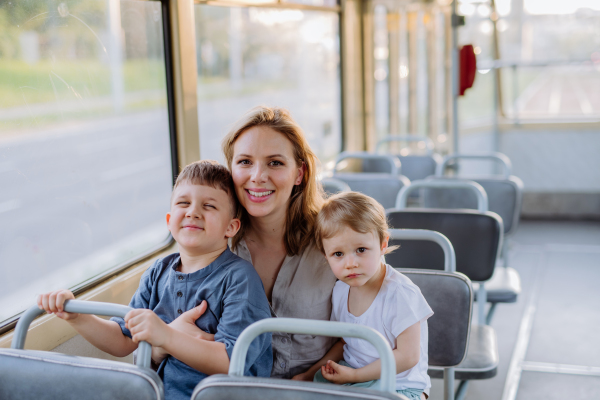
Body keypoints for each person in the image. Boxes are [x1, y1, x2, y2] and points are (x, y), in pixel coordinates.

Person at [36, 160, 273, 400]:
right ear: (170, 221)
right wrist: (79, 317)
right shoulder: (157, 273)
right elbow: (123, 340)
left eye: (209, 206)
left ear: (231, 227)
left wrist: (167, 337)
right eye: (183, 203)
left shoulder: (239, 278)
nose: (192, 212)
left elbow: (231, 362)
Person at [309, 191, 433, 400]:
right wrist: (310, 373)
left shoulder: (400, 294)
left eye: (361, 249)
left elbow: (408, 356)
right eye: (338, 254)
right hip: (354, 378)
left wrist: (356, 375)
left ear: (383, 244)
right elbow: (345, 342)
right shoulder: (340, 290)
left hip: (399, 385)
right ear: (325, 255)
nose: (350, 263)